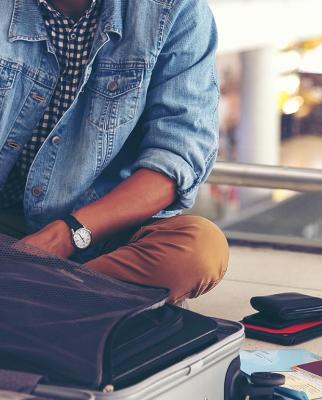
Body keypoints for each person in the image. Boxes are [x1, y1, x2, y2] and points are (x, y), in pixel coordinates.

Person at [0, 0, 228, 303]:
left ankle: (27, 301)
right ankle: (72, 307)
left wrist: (67, 235)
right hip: (8, 229)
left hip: (108, 232)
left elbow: (175, 158)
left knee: (200, 249)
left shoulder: (175, 10)